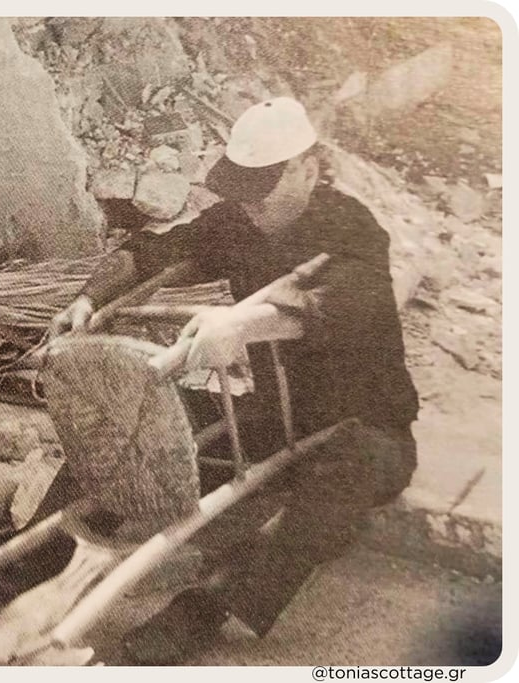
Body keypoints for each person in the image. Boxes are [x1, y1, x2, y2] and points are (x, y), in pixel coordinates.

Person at [49, 97, 420, 664]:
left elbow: (324, 304)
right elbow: (155, 251)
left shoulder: (354, 229)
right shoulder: (238, 219)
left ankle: (203, 610)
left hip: (363, 425)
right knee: (134, 416)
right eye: (240, 192)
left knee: (344, 476)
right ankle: (34, 555)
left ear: (306, 168)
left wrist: (241, 324)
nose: (248, 209)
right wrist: (88, 298)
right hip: (276, 417)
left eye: (260, 191)